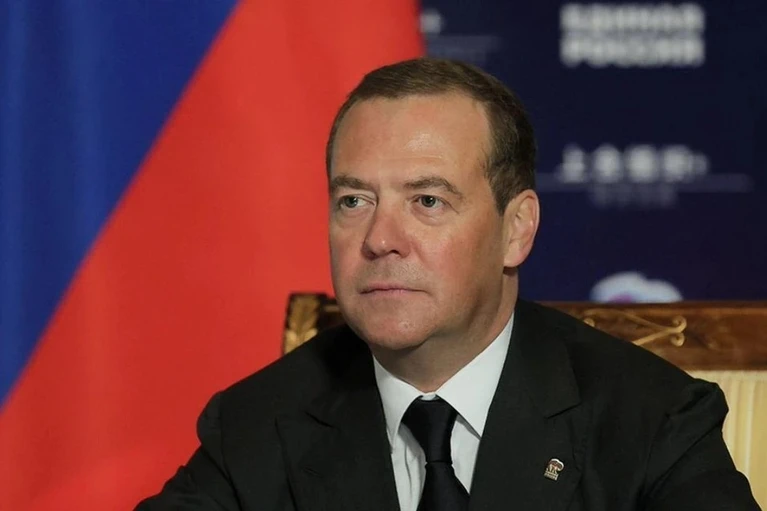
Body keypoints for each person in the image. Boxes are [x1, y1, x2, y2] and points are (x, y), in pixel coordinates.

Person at [136, 58, 760, 510]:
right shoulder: (257, 426)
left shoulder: (650, 421)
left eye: (427, 201)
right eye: (354, 201)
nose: (380, 239)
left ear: (516, 230)